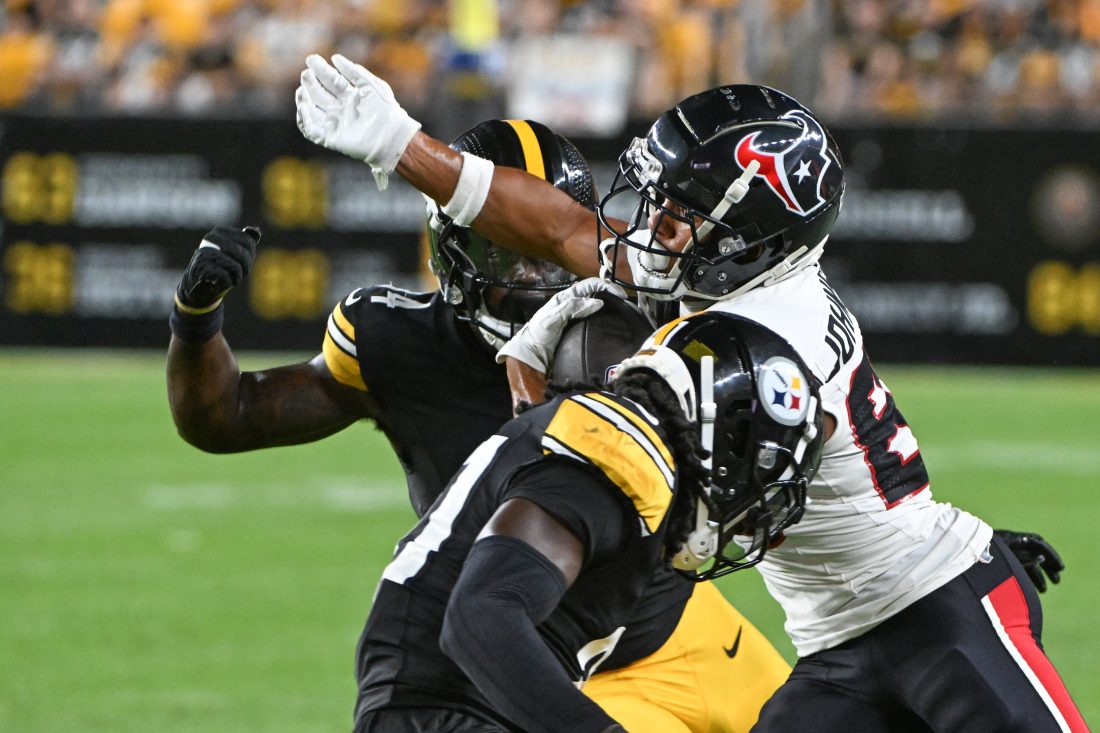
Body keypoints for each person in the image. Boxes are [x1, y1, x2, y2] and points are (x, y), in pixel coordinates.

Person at [295, 55, 1084, 731]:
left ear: (750, 234)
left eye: (679, 212)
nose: (654, 226)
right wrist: (407, 148)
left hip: (936, 605)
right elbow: (565, 231)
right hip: (832, 639)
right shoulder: (736, 278)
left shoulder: (764, 337)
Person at [167, 117, 793, 733]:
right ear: (453, 250)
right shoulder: (396, 343)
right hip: (531, 667)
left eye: (543, 253)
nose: (533, 280)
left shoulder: (637, 310)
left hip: (675, 623)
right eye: (503, 253)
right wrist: (195, 321)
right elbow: (227, 418)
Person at [353, 311, 824, 733]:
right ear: (714, 431)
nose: (751, 497)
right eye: (754, 466)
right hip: (443, 713)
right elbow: (483, 614)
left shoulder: (625, 448)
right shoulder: (624, 451)